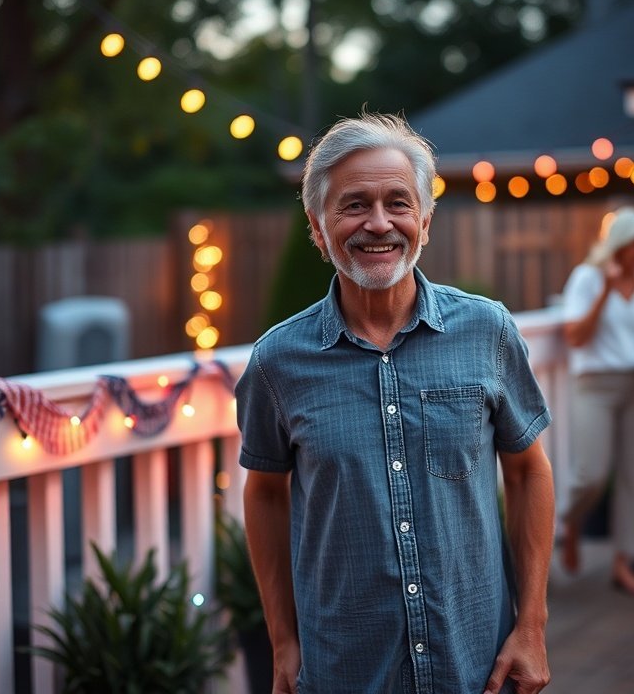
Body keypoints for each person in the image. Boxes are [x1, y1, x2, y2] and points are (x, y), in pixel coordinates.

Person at [235, 113, 555, 694]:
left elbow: (530, 470)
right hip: (345, 666)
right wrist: (282, 640)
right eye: (353, 205)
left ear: (425, 221)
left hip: (477, 661)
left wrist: (531, 624)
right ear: (317, 226)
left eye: (398, 204)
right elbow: (263, 493)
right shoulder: (277, 362)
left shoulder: (489, 331)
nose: (378, 224)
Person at [559, 206, 634, 596]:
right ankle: (570, 524)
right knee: (592, 473)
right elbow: (575, 336)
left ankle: (623, 563)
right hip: (596, 384)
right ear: (620, 243)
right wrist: (606, 290)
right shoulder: (587, 278)